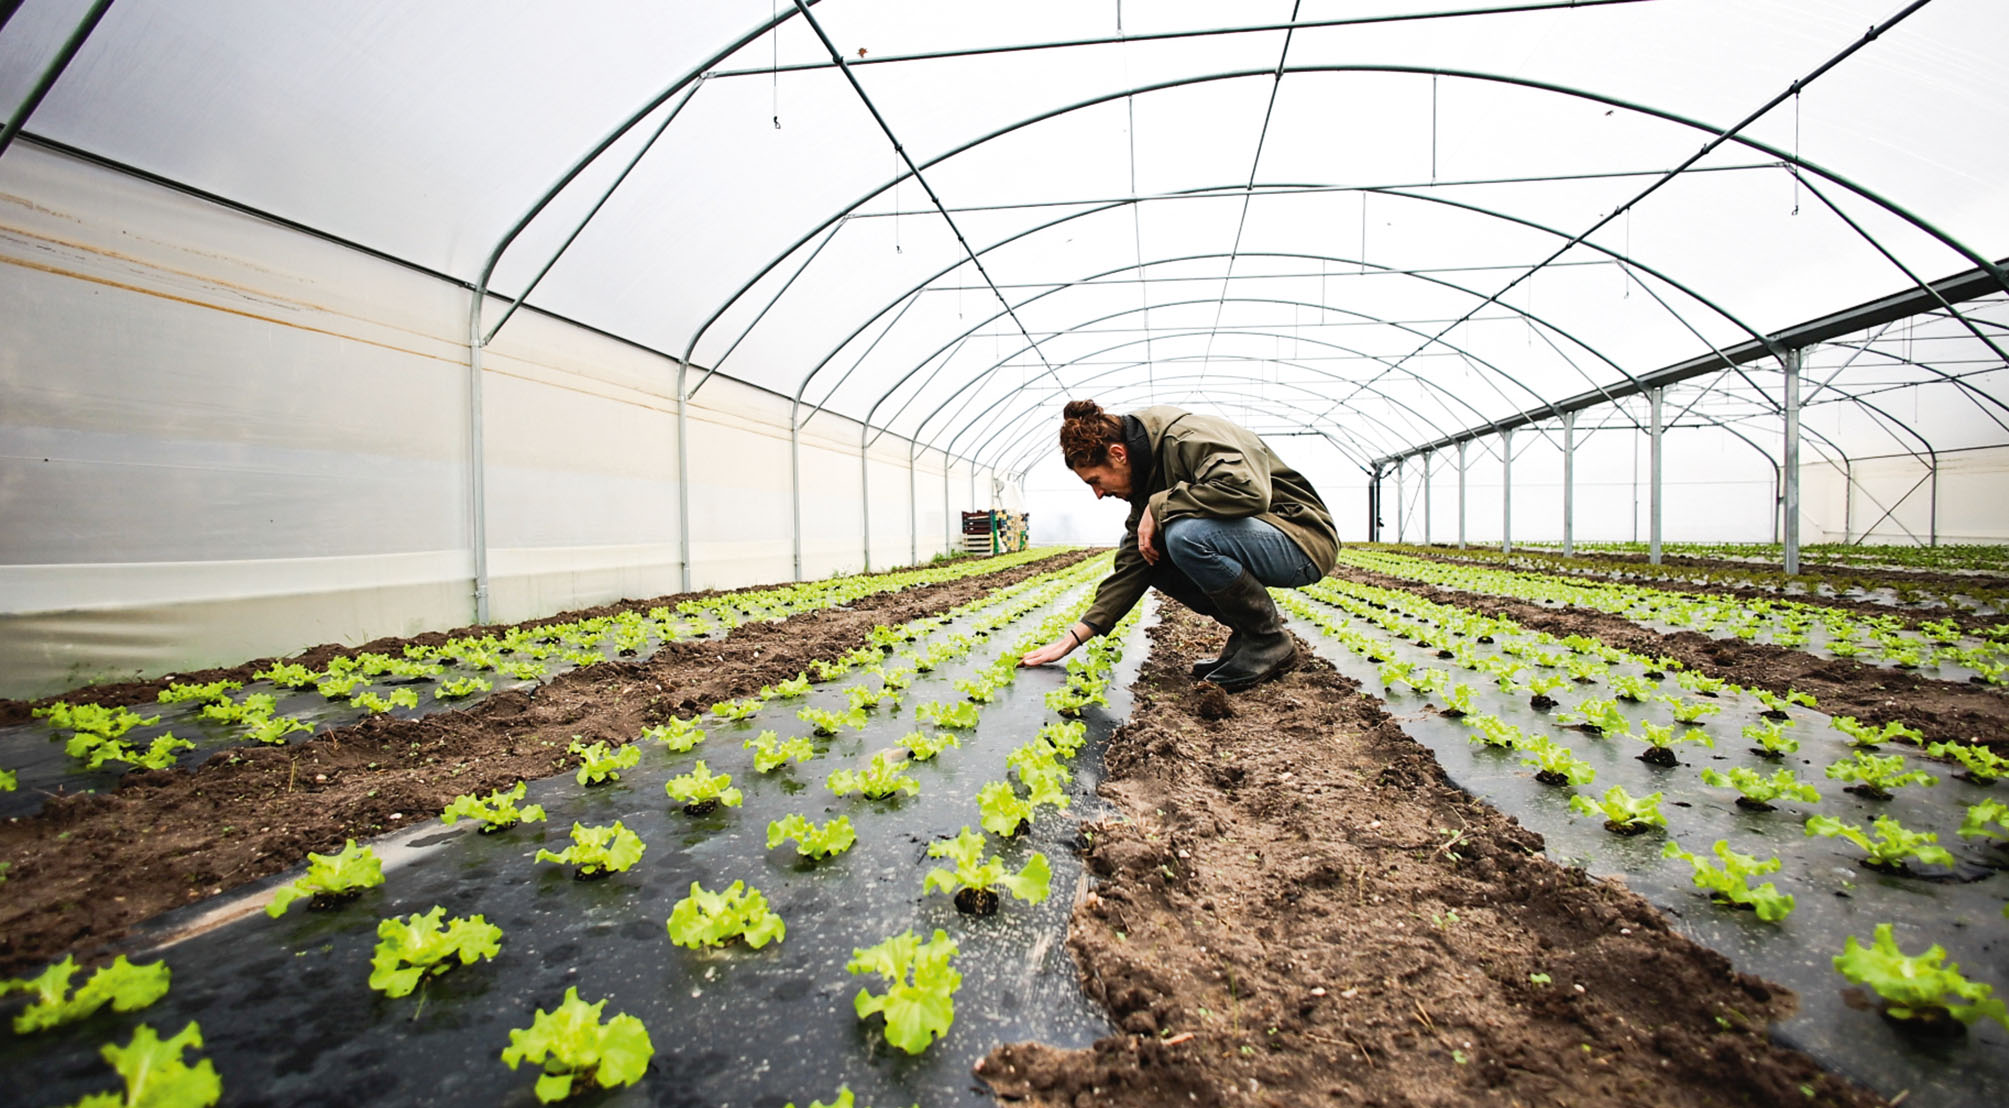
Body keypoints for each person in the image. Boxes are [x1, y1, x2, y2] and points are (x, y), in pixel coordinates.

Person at [1019, 399, 1338, 691]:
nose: (1098, 494)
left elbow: (1250, 491)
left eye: (1096, 481)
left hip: (1301, 540)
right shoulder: (1147, 477)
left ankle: (1268, 641)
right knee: (1151, 552)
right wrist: (1071, 640)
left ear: (1118, 454)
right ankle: (1247, 634)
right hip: (1265, 538)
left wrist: (1160, 505)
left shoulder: (1186, 438)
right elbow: (1133, 565)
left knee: (1184, 535)